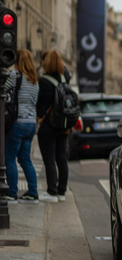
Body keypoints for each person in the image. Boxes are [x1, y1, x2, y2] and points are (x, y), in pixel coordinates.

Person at [4, 49, 40, 204]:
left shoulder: (14, 76)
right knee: (25, 159)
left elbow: (3, 91)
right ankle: (33, 192)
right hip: (31, 124)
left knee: (10, 157)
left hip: (17, 123)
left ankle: (12, 193)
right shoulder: (34, 80)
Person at [36, 50, 72, 202]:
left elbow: (40, 105)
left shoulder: (43, 82)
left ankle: (52, 191)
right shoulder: (65, 78)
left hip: (48, 126)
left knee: (49, 159)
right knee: (61, 158)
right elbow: (66, 70)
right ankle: (61, 192)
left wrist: (39, 117)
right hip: (64, 125)